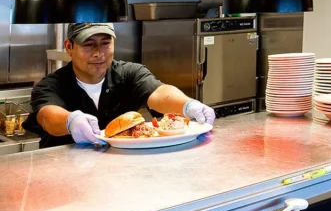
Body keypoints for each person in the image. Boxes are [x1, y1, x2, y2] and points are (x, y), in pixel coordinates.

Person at [29, 22, 216, 147]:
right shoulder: (51, 85)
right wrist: (70, 122)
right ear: (69, 47)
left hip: (121, 173)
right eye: (88, 44)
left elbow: (159, 93)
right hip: (67, 176)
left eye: (105, 43)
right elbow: (47, 116)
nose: (98, 53)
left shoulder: (129, 73)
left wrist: (187, 105)